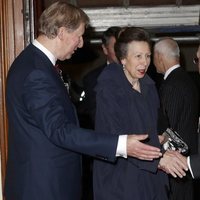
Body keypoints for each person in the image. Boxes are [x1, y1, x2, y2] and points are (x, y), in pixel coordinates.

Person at [4, 2, 164, 200]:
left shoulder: (35, 64)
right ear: (62, 32)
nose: (80, 44)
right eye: (78, 36)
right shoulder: (36, 71)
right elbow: (60, 131)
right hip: (43, 187)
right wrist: (121, 144)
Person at [93, 27, 170, 200]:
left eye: (148, 56)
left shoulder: (149, 87)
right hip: (121, 182)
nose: (144, 63)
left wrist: (160, 141)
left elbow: (149, 128)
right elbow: (116, 137)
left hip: (150, 180)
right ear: (122, 59)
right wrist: (159, 160)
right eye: (138, 56)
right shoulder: (108, 89)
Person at [153, 37, 199, 200]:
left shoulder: (171, 85)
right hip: (190, 163)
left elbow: (168, 129)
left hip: (176, 167)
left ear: (159, 56)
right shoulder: (189, 80)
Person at [83, 26, 121, 128]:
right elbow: (96, 117)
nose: (120, 52)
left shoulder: (141, 75)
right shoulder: (92, 79)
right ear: (105, 49)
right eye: (116, 48)